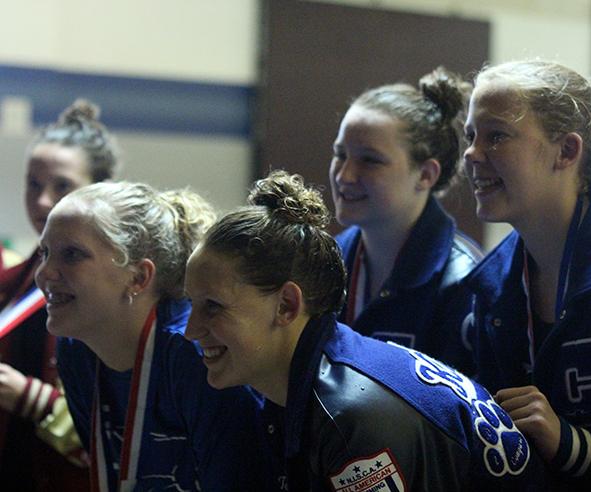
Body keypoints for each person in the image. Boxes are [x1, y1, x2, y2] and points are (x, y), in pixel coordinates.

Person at [185, 170, 545, 491]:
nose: (190, 330)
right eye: (191, 304)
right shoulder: (304, 382)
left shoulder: (351, 416)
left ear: (286, 307)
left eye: (212, 307)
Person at [462, 59, 591, 489]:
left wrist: (572, 445)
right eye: (471, 136)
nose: (470, 154)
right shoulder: (487, 287)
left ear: (567, 152)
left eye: (496, 136)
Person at [35, 181, 272, 491]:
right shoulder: (76, 350)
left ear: (138, 277)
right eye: (45, 253)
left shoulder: (197, 354)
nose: (44, 273)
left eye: (72, 255)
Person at [330, 67, 482, 373]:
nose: (345, 175)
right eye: (340, 153)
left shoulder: (465, 284)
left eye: (369, 160)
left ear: (425, 174)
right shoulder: (324, 265)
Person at [0, 99, 119, 490]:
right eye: (33, 184)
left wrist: (31, 398)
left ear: (100, 190)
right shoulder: (18, 277)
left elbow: (120, 424)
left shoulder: (116, 288)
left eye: (62, 186)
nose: (43, 202)